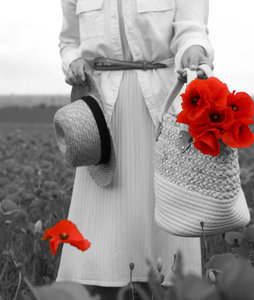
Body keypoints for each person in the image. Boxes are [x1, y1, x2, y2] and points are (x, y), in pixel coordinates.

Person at [55, 0, 214, 299]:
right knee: (103, 225)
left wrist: (196, 51)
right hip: (101, 109)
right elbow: (69, 41)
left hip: (163, 102)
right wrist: (74, 60)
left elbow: (191, 31)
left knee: (166, 219)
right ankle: (104, 290)